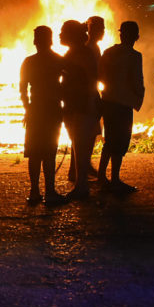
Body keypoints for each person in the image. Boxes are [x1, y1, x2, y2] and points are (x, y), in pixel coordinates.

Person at [20, 26, 66, 206]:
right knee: (49, 152)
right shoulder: (58, 60)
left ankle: (35, 192)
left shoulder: (29, 62)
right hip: (52, 109)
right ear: (51, 40)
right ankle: (49, 191)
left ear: (36, 41)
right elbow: (68, 82)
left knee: (35, 152)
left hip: (36, 109)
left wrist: (28, 108)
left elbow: (23, 89)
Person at [97, 21, 144, 193]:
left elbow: (99, 75)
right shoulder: (134, 56)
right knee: (120, 141)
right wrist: (138, 98)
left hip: (108, 102)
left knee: (109, 140)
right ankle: (114, 179)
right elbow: (137, 81)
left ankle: (102, 176)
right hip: (123, 104)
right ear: (136, 37)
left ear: (120, 34)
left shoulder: (109, 52)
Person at [60, 20, 100, 200]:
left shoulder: (80, 54)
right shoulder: (77, 52)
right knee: (79, 144)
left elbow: (84, 81)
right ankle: (79, 181)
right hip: (80, 104)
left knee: (81, 144)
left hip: (82, 104)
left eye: (62, 32)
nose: (59, 35)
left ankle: (81, 185)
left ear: (71, 35)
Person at [67, 14, 105, 182]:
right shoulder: (87, 49)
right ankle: (79, 170)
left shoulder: (94, 47)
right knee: (84, 135)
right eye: (98, 28)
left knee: (88, 135)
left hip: (90, 94)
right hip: (86, 96)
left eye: (103, 28)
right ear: (90, 30)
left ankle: (79, 168)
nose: (102, 31)